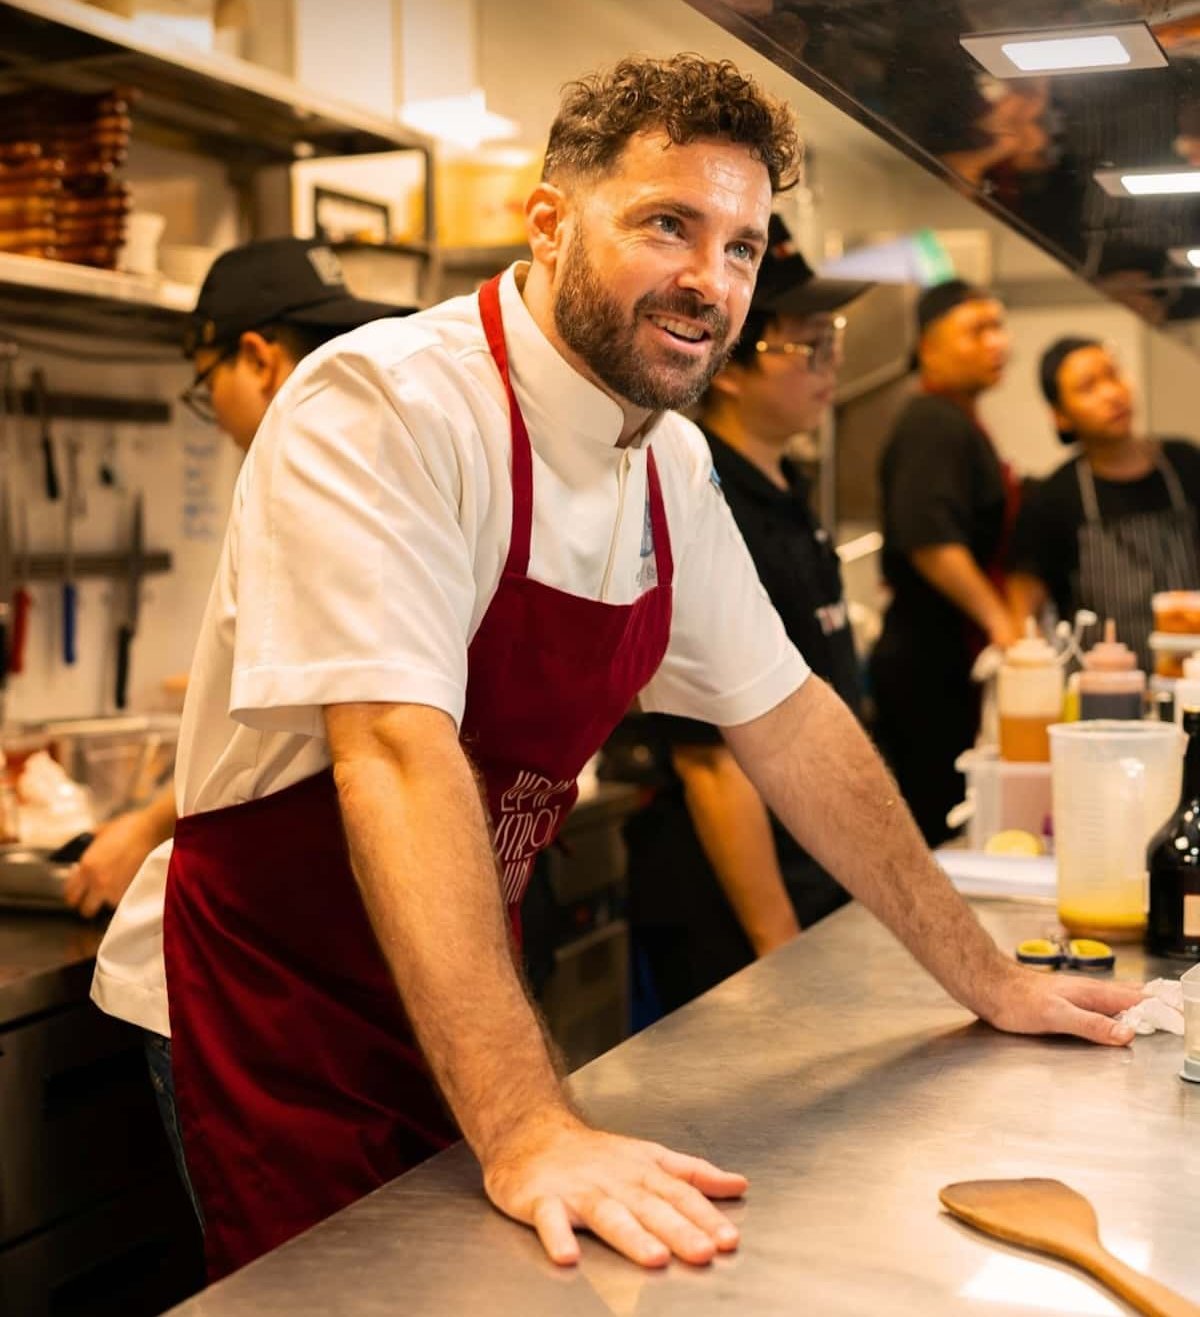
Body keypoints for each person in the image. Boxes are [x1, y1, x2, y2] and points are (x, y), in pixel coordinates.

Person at [91, 54, 1141, 1284]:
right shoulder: (385, 406)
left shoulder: (667, 466)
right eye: (667, 224)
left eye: (744, 246)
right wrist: (531, 1125)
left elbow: (789, 719)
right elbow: (392, 746)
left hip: (455, 990)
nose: (711, 280)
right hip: (276, 1012)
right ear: (547, 221)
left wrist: (985, 975)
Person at [65, 237, 411, 918]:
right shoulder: (388, 462)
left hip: (282, 905)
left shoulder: (307, 477)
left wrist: (142, 826)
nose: (215, 411)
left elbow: (331, 720)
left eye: (206, 380)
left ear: (255, 358)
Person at [624, 214, 872, 1015]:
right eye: (807, 348)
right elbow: (712, 758)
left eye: (830, 341)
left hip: (812, 872)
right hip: (736, 898)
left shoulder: (788, 491)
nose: (829, 366)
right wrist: (779, 946)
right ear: (728, 362)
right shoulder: (702, 497)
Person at [870, 279, 1019, 847]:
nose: (997, 343)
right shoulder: (932, 422)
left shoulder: (958, 420)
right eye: (977, 330)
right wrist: (1000, 621)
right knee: (934, 826)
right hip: (928, 666)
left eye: (999, 327)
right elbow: (931, 541)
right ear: (928, 347)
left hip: (943, 657)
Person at [1008, 337, 1200, 666]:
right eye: (1088, 387)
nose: (1111, 393)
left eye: (1113, 375)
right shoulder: (1055, 496)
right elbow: (1022, 606)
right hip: (1099, 693)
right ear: (1060, 416)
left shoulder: (1186, 464)